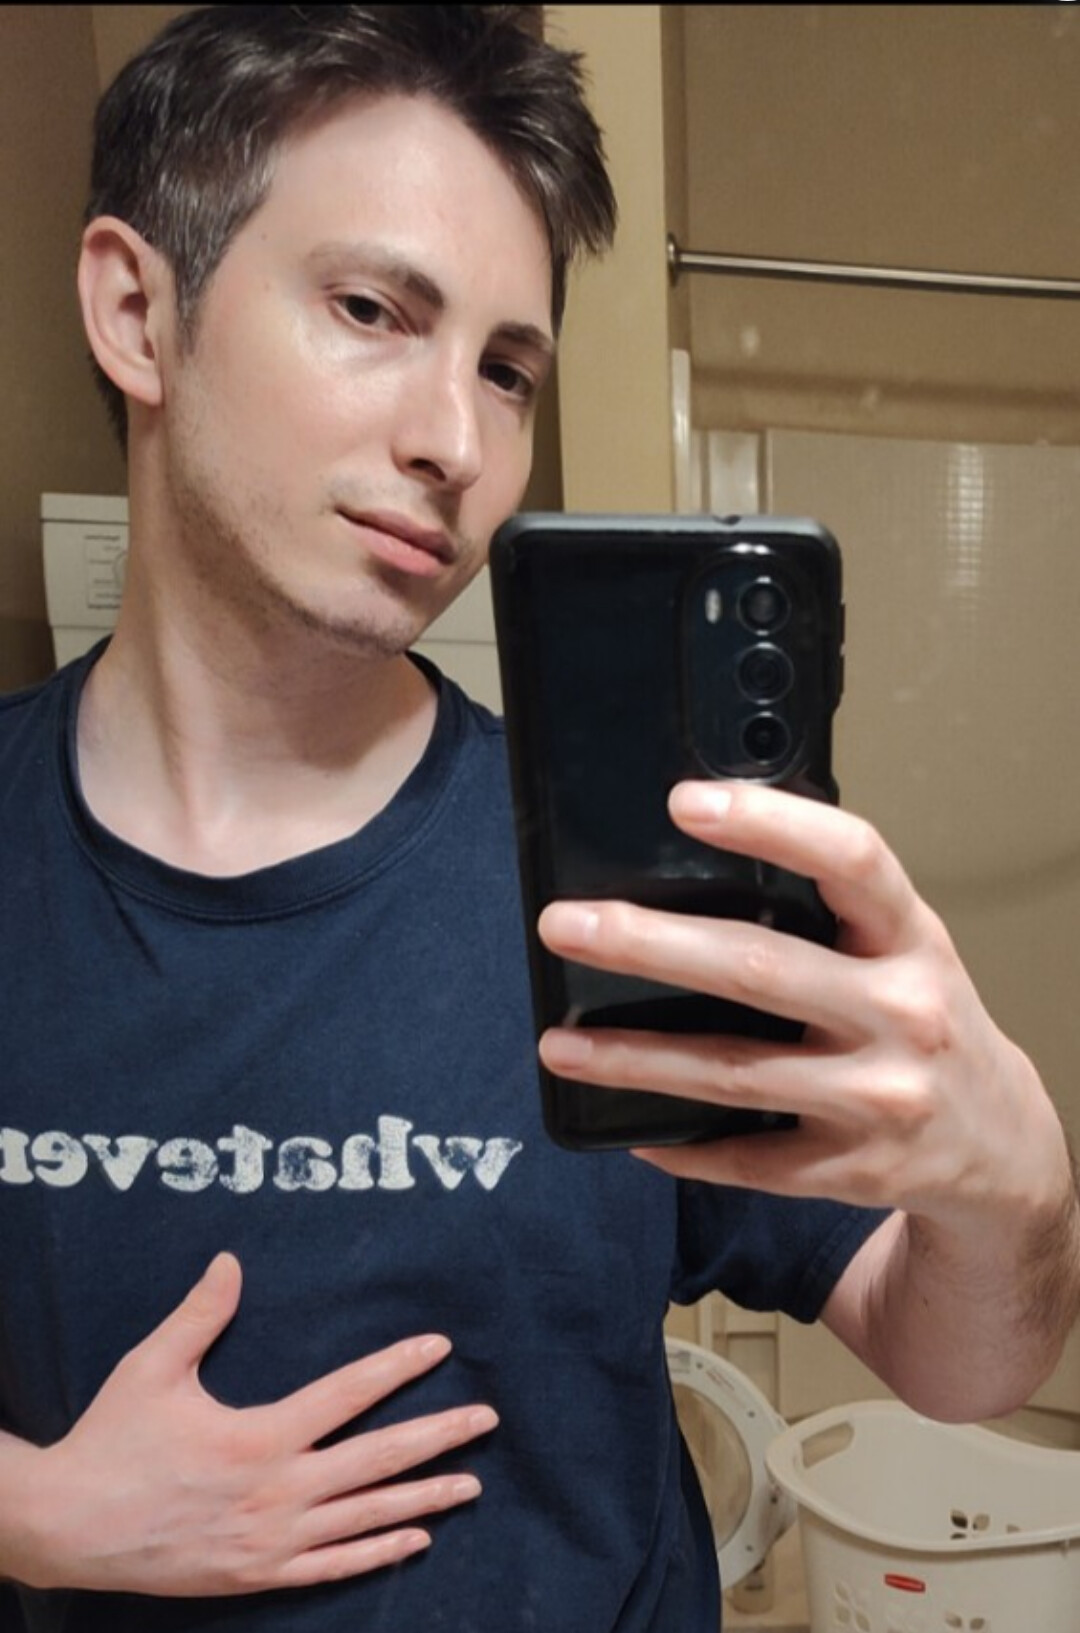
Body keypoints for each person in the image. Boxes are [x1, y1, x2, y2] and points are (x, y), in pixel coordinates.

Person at [0, 6, 1077, 1630]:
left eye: (507, 370)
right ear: (137, 310)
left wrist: (1016, 1194)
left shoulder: (631, 884)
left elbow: (958, 1365)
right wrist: (36, 1513)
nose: (458, 441)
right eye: (373, 311)